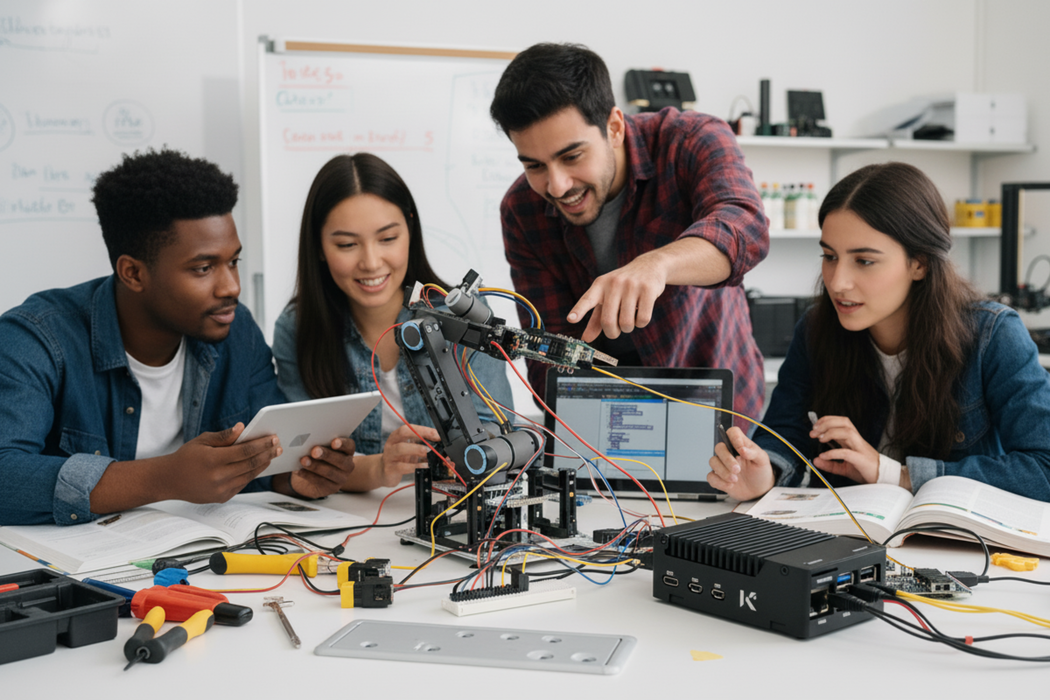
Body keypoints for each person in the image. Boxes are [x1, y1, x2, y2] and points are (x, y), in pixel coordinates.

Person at [0, 149, 357, 526]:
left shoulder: (237, 331)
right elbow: (5, 474)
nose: (231, 287)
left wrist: (299, 477)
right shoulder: (36, 338)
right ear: (133, 273)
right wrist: (166, 477)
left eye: (234, 261)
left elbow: (270, 455)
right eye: (203, 268)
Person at [709, 162, 1050, 502]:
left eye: (864, 261)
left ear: (919, 263)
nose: (838, 282)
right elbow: (785, 436)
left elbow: (1043, 469)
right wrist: (764, 473)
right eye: (829, 256)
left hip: (957, 545)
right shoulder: (815, 330)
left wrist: (894, 475)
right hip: (846, 541)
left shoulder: (994, 335)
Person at [489, 42, 769, 418]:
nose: (556, 186)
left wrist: (658, 265)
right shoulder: (521, 209)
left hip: (720, 408)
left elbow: (746, 228)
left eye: (572, 156)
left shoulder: (690, 140)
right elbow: (548, 352)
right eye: (535, 166)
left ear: (615, 126)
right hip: (606, 419)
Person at [272, 153, 515, 490]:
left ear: (410, 232)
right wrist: (377, 470)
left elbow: (495, 439)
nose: (371, 262)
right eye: (346, 244)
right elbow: (302, 460)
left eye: (387, 239)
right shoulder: (296, 329)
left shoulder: (464, 318)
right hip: (349, 519)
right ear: (318, 247)